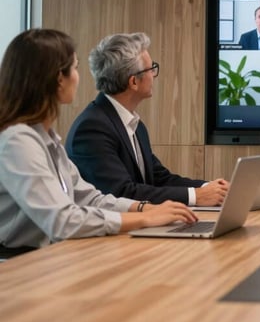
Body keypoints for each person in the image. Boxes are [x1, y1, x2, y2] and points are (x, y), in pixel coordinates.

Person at [0, 29, 198, 252]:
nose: (78, 77)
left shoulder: (46, 139)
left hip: (48, 256)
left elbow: (91, 199)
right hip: (20, 262)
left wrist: (144, 208)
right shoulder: (17, 142)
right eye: (75, 68)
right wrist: (143, 219)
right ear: (58, 79)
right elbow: (63, 221)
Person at [66, 33, 230, 206]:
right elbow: (122, 193)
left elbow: (159, 178)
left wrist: (210, 188)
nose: (153, 74)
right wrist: (196, 196)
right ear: (133, 82)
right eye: (150, 69)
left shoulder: (134, 125)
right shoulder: (92, 129)